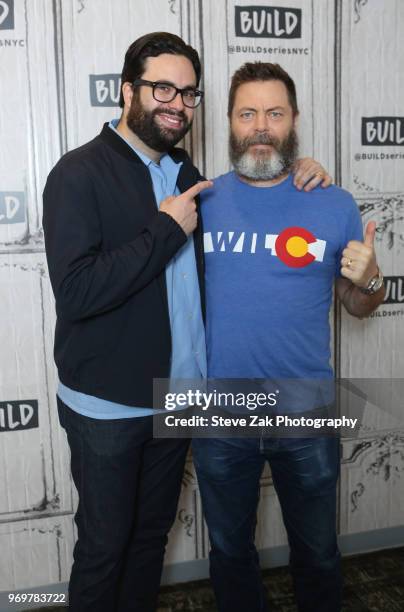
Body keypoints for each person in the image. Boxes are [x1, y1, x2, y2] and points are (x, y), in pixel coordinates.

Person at [43, 31, 331, 611]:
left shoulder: (185, 173)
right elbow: (76, 292)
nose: (176, 103)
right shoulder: (79, 173)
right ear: (128, 91)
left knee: (150, 540)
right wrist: (165, 229)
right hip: (107, 408)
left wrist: (305, 173)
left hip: (177, 401)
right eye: (161, 89)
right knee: (103, 549)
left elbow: (258, 182)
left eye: (188, 93)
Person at [193, 62, 385, 612]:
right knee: (229, 552)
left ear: (294, 120)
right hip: (222, 413)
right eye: (247, 113)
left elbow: (359, 304)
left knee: (319, 553)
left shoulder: (333, 203)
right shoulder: (200, 202)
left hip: (305, 408)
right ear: (228, 122)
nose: (261, 126)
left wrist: (371, 278)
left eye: (274, 113)